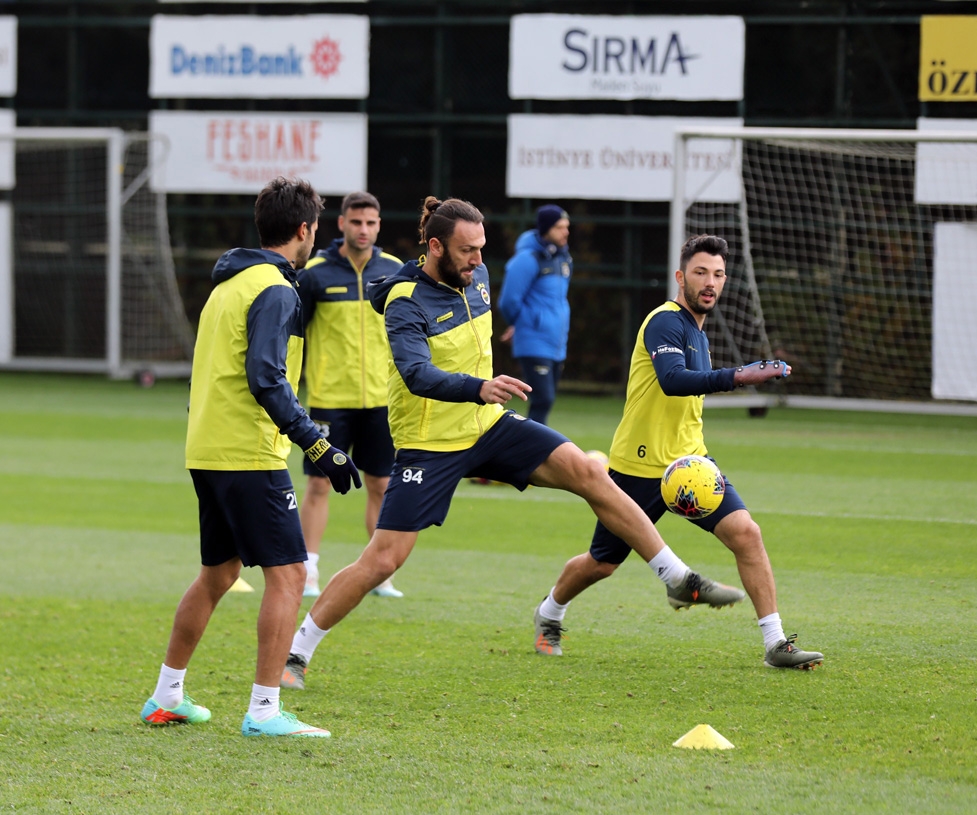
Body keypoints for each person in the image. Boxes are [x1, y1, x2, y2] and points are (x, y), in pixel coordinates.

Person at [279, 199, 743, 691]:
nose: (478, 260)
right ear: (435, 247)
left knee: (589, 473)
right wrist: (478, 386)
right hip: (431, 444)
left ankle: (676, 578)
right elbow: (416, 373)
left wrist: (484, 392)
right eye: (467, 250)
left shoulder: (476, 275)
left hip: (489, 425)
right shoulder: (405, 300)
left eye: (481, 248)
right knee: (383, 560)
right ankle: (296, 652)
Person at [533, 234, 824, 670]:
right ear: (680, 276)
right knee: (602, 564)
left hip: (692, 465)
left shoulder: (698, 332)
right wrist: (737, 377)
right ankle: (549, 613)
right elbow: (673, 380)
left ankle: (776, 643)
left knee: (747, 534)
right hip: (638, 466)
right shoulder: (664, 322)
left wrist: (732, 381)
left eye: (718, 274)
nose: (710, 282)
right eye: (700, 272)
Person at [140, 177, 361, 738]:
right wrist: (318, 445)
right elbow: (266, 377)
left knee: (218, 573)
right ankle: (264, 710)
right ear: (305, 230)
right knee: (289, 575)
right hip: (247, 453)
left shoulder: (228, 285)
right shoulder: (276, 290)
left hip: (207, 448)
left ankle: (166, 695)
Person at [297, 191, 404, 600]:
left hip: (381, 399)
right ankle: (308, 571)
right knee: (319, 485)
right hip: (330, 398)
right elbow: (294, 334)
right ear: (341, 224)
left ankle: (379, 573)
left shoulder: (394, 271)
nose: (363, 230)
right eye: (356, 222)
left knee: (381, 484)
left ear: (379, 226)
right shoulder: (315, 273)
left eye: (370, 223)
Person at [497, 204, 572, 425]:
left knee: (545, 401)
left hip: (556, 342)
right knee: (543, 399)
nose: (566, 232)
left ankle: (530, 443)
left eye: (566, 226)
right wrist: (522, 324)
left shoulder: (563, 259)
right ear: (545, 229)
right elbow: (508, 301)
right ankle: (529, 444)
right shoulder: (527, 259)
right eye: (559, 227)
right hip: (534, 340)